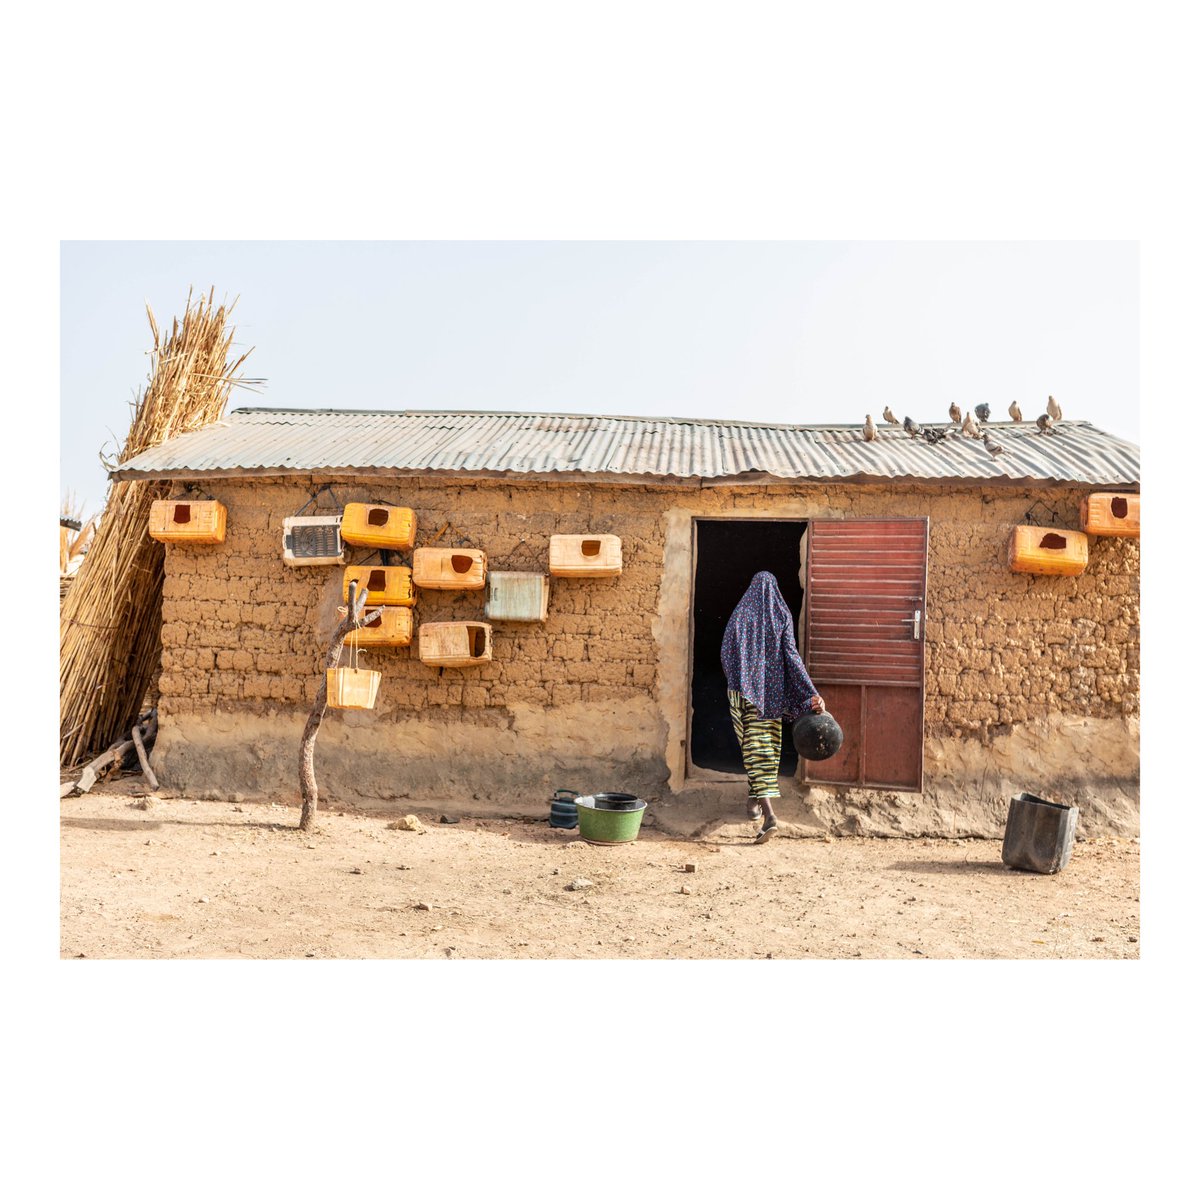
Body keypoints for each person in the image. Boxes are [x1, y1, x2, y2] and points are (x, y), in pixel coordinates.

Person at [720, 571, 825, 843]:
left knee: (754, 753)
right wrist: (810, 693)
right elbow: (792, 657)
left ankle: (768, 816)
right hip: (772, 700)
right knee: (764, 753)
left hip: (746, 698)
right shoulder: (781, 616)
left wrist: (740, 680)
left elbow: (725, 651)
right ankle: (755, 805)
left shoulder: (741, 616)